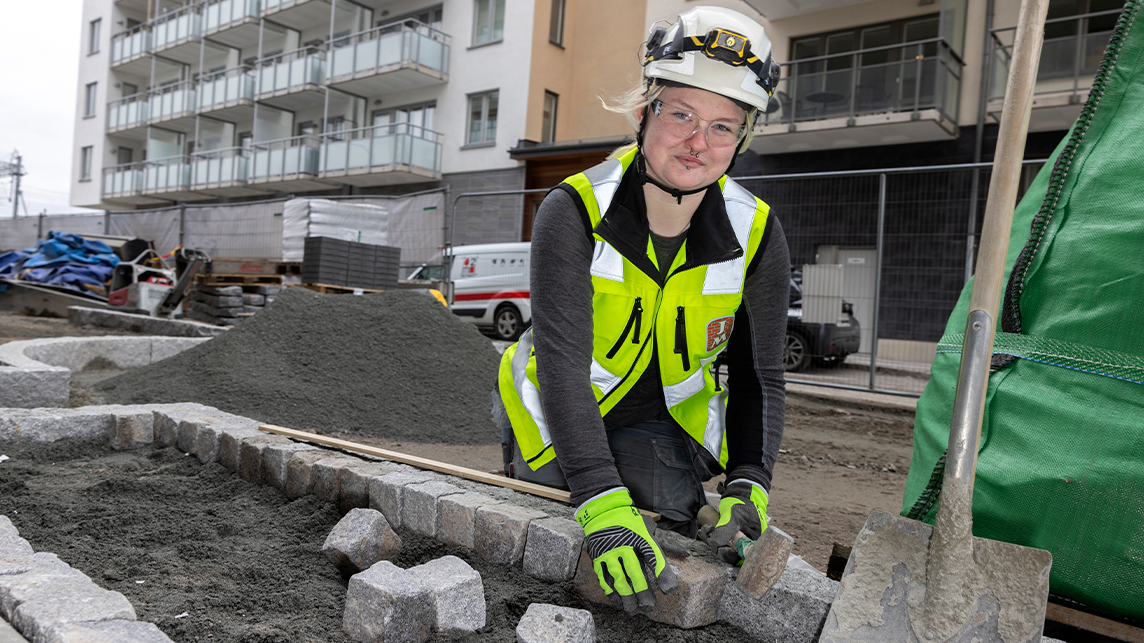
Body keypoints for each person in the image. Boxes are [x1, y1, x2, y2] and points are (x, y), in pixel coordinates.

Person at [495, 6, 790, 611]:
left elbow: (760, 374)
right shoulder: (573, 210)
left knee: (677, 522)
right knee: (568, 526)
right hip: (556, 411)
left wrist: (750, 479)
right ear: (644, 110)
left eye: (722, 127)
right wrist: (601, 499)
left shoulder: (756, 231)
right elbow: (562, 368)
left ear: (742, 141)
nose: (696, 141)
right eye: (680, 113)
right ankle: (534, 473)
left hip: (657, 419)